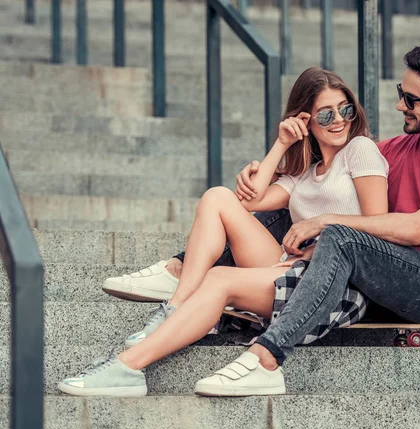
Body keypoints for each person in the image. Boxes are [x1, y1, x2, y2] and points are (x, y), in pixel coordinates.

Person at [58, 67, 389, 397]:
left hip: (335, 281)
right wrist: (282, 142)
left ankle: (127, 367)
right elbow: (250, 200)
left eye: (345, 109)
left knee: (218, 278)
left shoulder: (360, 149)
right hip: (292, 265)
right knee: (217, 196)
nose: (338, 120)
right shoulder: (306, 170)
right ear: (305, 120)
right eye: (325, 113)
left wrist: (320, 245)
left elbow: (377, 227)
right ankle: (175, 306)